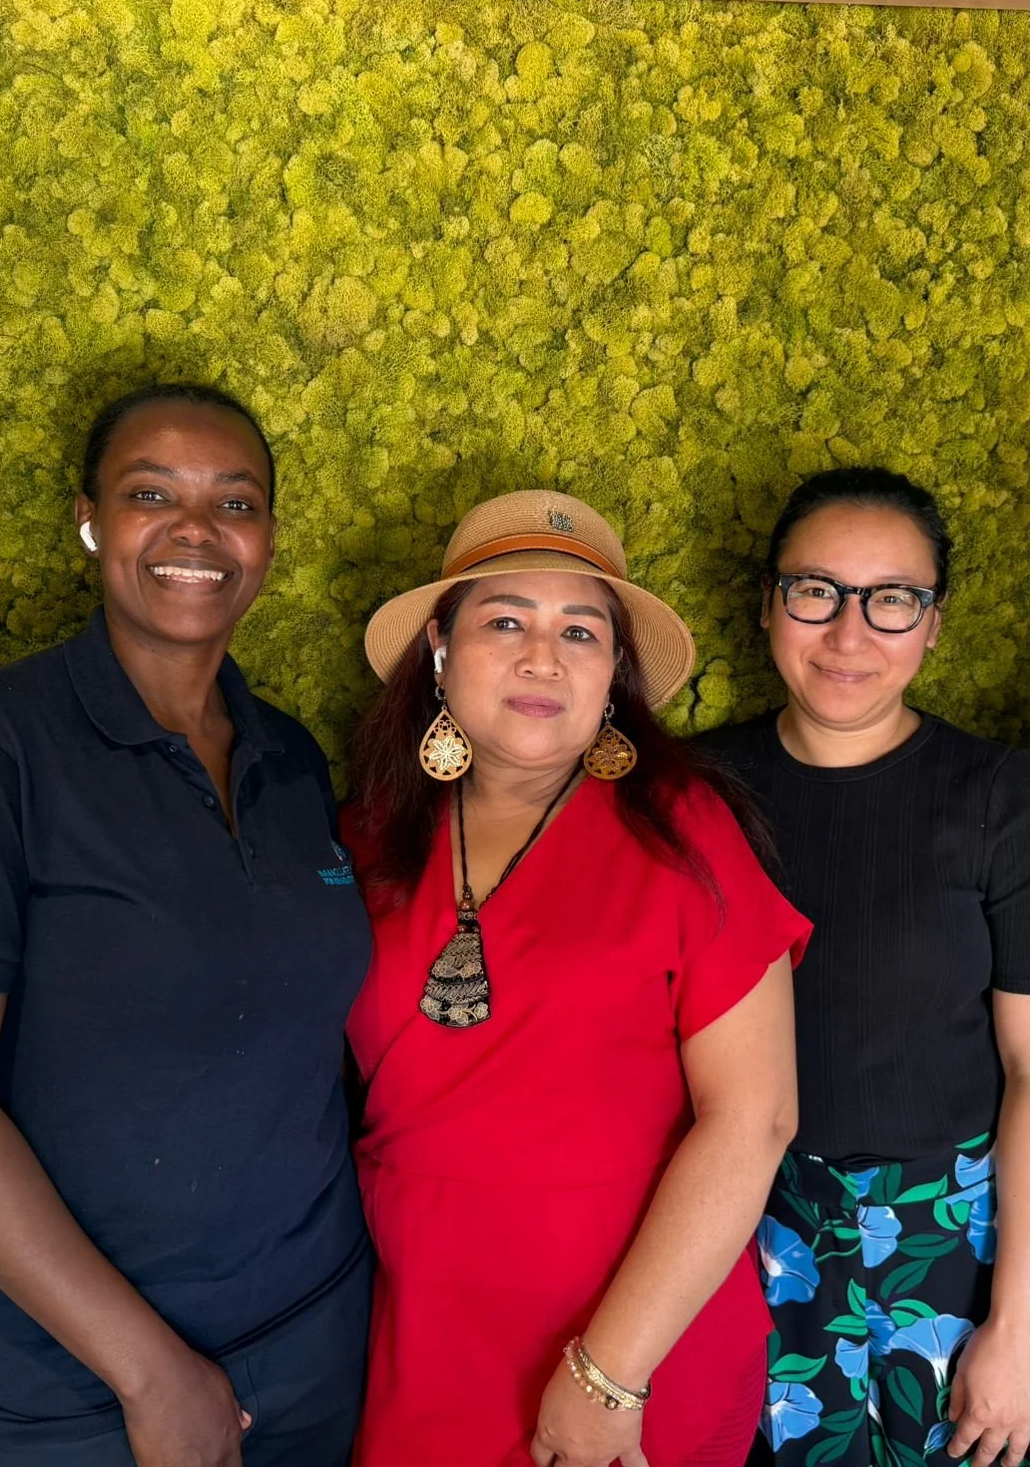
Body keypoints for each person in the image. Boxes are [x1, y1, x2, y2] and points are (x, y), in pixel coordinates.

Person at [0, 383, 371, 1467]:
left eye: (235, 502)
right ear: (89, 518)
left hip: (313, 1336)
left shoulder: (291, 757)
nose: (196, 531)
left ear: (268, 537)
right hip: (77, 1376)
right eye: (151, 495)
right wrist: (148, 1370)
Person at [343, 489, 810, 1467]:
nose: (541, 656)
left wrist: (608, 1374)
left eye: (580, 631)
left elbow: (755, 1118)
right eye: (504, 619)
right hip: (421, 1343)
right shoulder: (365, 842)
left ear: (613, 671)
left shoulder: (683, 830)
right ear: (439, 645)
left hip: (639, 1351)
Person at [699, 467, 1030, 1467]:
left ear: (932, 624)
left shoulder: (999, 799)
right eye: (815, 591)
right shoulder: (698, 794)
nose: (848, 634)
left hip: (944, 1244)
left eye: (891, 600)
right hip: (738, 1225)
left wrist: (1020, 1327)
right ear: (769, 602)